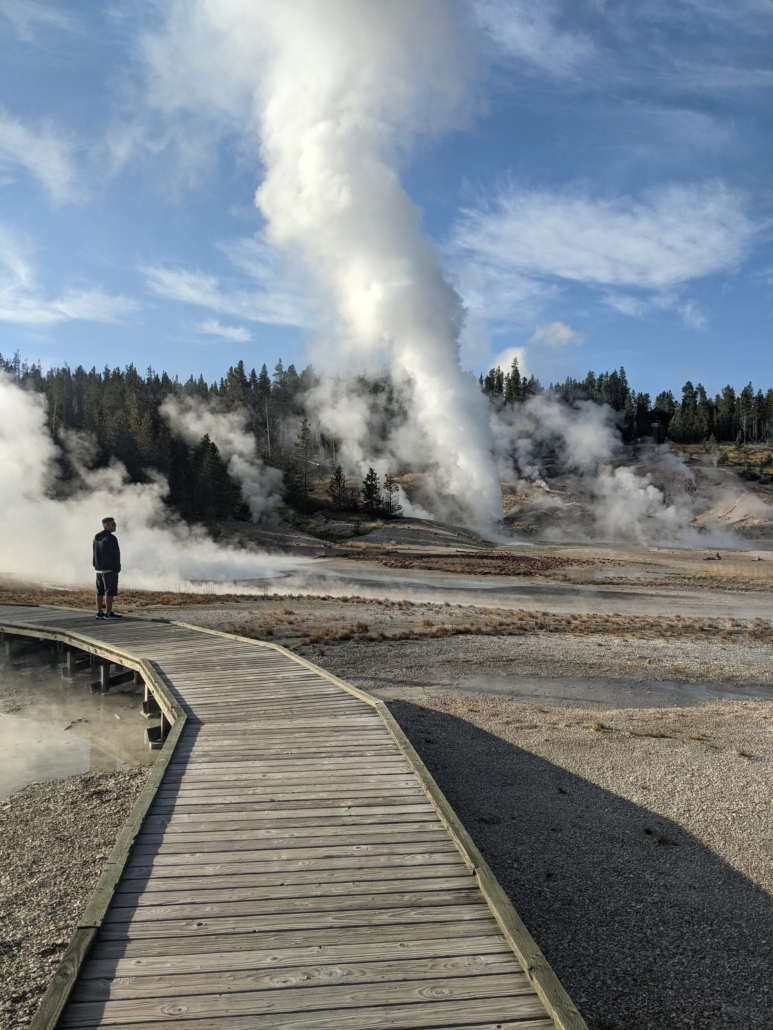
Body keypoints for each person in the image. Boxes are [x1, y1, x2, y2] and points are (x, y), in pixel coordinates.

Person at [93, 517, 122, 620]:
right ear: (106, 525)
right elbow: (116, 554)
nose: (115, 526)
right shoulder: (111, 538)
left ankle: (99, 612)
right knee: (109, 592)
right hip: (109, 569)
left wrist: (95, 565)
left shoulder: (97, 537)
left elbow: (94, 553)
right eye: (113, 524)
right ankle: (108, 614)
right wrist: (117, 567)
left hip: (98, 569)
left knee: (99, 591)